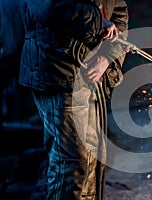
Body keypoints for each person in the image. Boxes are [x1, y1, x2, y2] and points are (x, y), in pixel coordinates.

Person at [19, 0, 128, 199]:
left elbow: (119, 14)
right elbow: (47, 7)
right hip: (58, 72)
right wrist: (99, 22)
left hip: (89, 78)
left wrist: (107, 58)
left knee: (92, 160)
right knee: (72, 162)